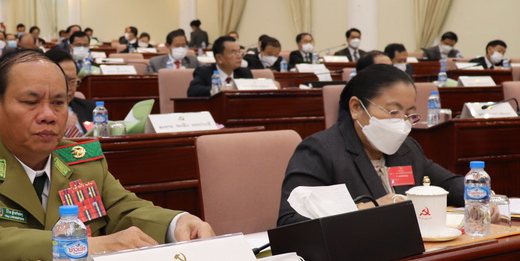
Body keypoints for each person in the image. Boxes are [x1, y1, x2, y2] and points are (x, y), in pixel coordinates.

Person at [0, 49, 214, 261]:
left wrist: (177, 223)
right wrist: (85, 247)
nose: (48, 115)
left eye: (59, 103)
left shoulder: (82, 160)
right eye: (31, 102)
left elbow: (125, 209)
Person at [278, 64, 464, 225]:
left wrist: (477, 189)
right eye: (393, 112)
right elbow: (290, 222)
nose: (402, 123)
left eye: (409, 114)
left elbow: (451, 185)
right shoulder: (320, 150)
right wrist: (368, 209)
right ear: (356, 108)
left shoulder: (407, 149)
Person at [45, 48, 96, 136]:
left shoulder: (89, 108)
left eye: (73, 81)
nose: (69, 87)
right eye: (64, 80)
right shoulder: (36, 112)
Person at [187, 35, 252, 97]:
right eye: (234, 53)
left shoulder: (244, 73)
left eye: (239, 52)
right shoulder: (204, 72)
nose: (239, 56)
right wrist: (219, 90)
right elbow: (193, 91)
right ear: (219, 58)